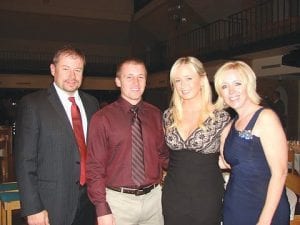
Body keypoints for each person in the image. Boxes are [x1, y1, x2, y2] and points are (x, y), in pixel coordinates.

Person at [15, 46, 99, 225]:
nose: (72, 76)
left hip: (89, 202)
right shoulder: (33, 104)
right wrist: (32, 208)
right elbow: (24, 161)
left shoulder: (92, 103)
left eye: (78, 70)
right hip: (52, 203)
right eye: (66, 69)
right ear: (53, 70)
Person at [86, 58, 169, 225]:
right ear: (118, 81)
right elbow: (95, 167)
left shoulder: (156, 115)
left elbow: (163, 155)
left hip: (154, 200)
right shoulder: (102, 118)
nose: (136, 82)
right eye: (129, 77)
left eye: (141, 77)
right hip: (118, 203)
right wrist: (102, 209)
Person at [214, 61, 290, 225]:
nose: (231, 91)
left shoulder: (265, 118)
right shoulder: (230, 125)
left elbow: (280, 173)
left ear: (249, 84)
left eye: (237, 83)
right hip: (234, 205)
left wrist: (264, 221)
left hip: (264, 207)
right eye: (225, 86)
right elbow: (226, 162)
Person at [162, 56, 230, 225]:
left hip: (206, 197)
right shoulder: (168, 116)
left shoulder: (220, 117)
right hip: (173, 195)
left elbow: (230, 158)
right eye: (177, 80)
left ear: (202, 79)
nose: (183, 85)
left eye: (189, 78)